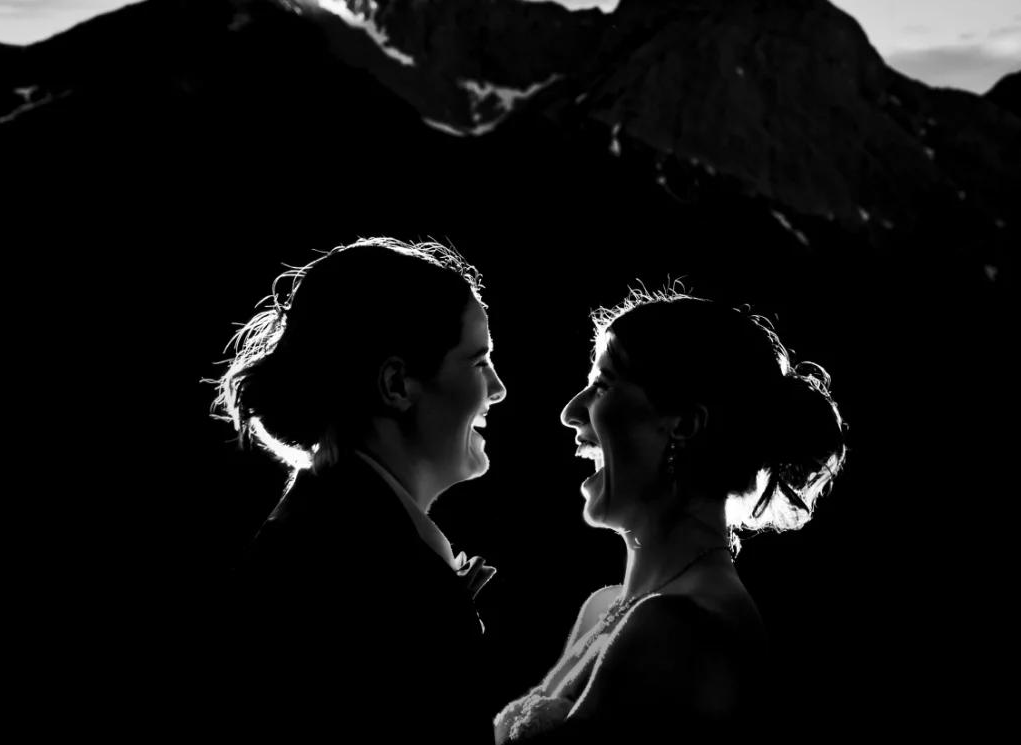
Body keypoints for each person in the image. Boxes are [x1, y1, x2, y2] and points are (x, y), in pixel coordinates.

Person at [493, 287, 848, 742]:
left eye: (602, 386)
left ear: (682, 425)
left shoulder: (676, 630)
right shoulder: (607, 607)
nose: (570, 412)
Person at [207, 237, 507, 743]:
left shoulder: (327, 525)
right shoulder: (366, 569)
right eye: (478, 362)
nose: (498, 388)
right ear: (397, 385)